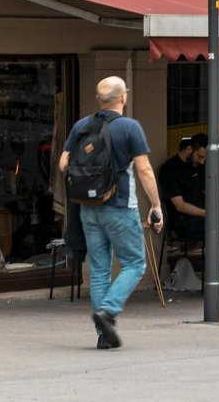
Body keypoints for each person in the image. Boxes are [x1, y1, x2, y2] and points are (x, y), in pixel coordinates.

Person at [59, 76, 164, 350]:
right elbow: (144, 170)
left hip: (88, 208)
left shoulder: (82, 126)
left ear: (99, 99)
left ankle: (103, 335)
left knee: (99, 271)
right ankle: (108, 311)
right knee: (135, 264)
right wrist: (156, 205)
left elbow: (63, 164)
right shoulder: (130, 127)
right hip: (119, 207)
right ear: (123, 98)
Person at [168, 142, 219, 282]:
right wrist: (208, 214)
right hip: (187, 221)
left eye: (205, 158)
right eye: (199, 156)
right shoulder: (171, 169)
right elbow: (180, 206)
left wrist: (215, 192)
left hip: (210, 219)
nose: (202, 161)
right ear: (189, 149)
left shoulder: (204, 166)